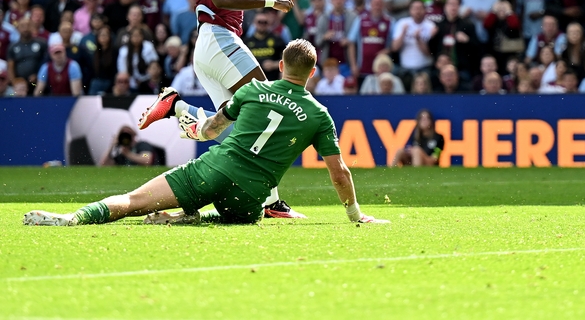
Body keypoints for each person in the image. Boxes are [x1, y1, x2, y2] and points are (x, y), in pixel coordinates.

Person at [24, 39, 388, 227]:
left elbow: (212, 128)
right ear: (312, 73)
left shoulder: (251, 90)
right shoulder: (319, 115)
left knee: (134, 201)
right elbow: (339, 172)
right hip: (251, 199)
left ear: (279, 66)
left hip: (213, 169)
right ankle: (192, 215)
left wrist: (188, 123)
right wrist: (356, 215)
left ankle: (76, 219)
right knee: (240, 215)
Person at [135, 0, 300, 219]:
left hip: (214, 45)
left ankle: (176, 107)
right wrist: (268, 1)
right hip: (218, 38)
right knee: (267, 104)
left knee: (219, 126)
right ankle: (271, 203)